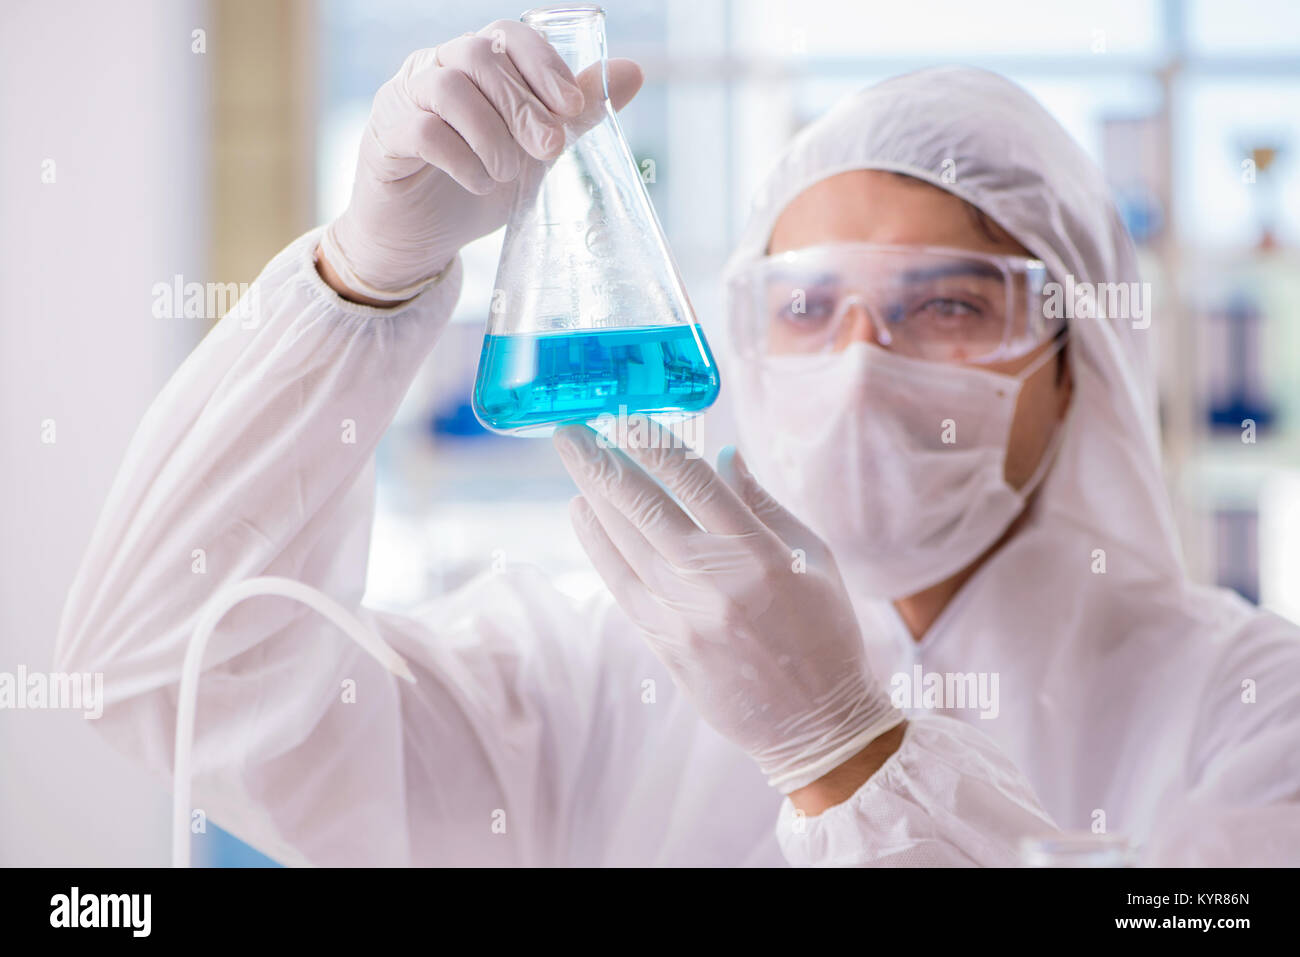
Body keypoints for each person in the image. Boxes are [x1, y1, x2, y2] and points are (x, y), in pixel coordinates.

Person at [56, 19, 1300, 866]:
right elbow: (162, 671)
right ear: (743, 343)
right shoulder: (575, 676)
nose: (861, 360)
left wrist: (848, 753)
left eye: (948, 304)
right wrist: (362, 285)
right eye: (806, 305)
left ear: (1076, 357)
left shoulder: (1251, 712)